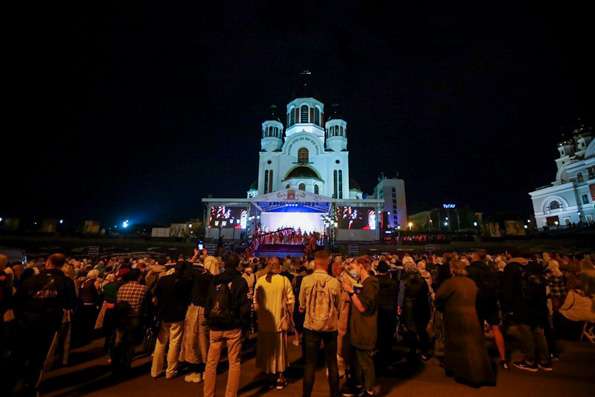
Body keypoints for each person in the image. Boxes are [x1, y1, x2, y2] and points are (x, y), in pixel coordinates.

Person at [14, 253, 76, 396]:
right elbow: (70, 303)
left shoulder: (31, 280)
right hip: (49, 324)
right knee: (40, 356)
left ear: (48, 262)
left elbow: (17, 301)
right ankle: (32, 386)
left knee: (22, 353)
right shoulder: (66, 282)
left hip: (26, 322)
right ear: (62, 264)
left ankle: (18, 382)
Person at [435, 259, 495, 387]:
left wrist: (441, 307)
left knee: (459, 346)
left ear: (453, 269)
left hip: (455, 317)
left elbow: (439, 297)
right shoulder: (471, 282)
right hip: (472, 316)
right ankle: (480, 373)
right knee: (475, 346)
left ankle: (464, 374)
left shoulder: (450, 283)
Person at [203, 253, 250, 397]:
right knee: (234, 362)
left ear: (224, 264)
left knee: (211, 363)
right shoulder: (241, 281)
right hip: (233, 326)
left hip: (216, 325)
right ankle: (230, 394)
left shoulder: (215, 279)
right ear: (237, 264)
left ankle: (208, 393)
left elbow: (209, 302)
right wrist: (245, 325)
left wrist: (208, 319)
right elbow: (244, 307)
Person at [299, 250, 341, 397]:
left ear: (315, 263)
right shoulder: (335, 282)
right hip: (330, 326)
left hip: (310, 326)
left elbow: (301, 304)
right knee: (332, 363)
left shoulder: (306, 281)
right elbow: (338, 306)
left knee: (310, 364)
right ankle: (335, 394)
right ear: (327, 263)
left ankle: (307, 394)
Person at [254, 257, 295, 389]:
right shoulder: (284, 280)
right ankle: (280, 377)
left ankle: (268, 376)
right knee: (279, 353)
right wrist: (290, 318)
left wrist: (259, 316)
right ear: (279, 267)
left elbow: (255, 303)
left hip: (264, 323)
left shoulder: (260, 281)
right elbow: (290, 301)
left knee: (266, 351)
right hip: (278, 322)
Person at [341, 256, 379, 397]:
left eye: (354, 267)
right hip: (358, 329)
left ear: (361, 266)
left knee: (365, 362)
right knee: (358, 361)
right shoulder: (362, 282)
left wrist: (351, 291)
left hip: (365, 330)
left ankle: (369, 390)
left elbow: (363, 307)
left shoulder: (371, 283)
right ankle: (360, 385)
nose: (353, 270)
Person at [150, 261, 192, 379]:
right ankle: (170, 371)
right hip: (178, 315)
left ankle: (155, 370)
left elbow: (156, 297)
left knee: (160, 343)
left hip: (163, 314)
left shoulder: (163, 280)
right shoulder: (186, 282)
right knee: (174, 343)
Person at [466, 252, 508, 368]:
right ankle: (503, 359)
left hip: (477, 301)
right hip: (491, 301)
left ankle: (480, 357)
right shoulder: (491, 269)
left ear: (475, 258)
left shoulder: (470, 270)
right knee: (496, 328)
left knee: (477, 329)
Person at [180, 251, 213, 383]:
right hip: (207, 311)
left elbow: (186, 267)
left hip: (196, 310)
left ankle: (195, 370)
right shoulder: (214, 278)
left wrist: (195, 256)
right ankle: (206, 369)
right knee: (205, 341)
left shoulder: (199, 277)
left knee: (192, 341)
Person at [112, 268, 150, 376]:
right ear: (139, 277)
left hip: (120, 317)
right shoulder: (143, 289)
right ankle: (126, 365)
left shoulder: (122, 287)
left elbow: (118, 302)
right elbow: (145, 305)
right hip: (134, 317)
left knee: (118, 340)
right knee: (130, 343)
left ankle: (116, 363)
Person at [374, 260, 399, 367]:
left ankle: (379, 358)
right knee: (388, 337)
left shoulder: (375, 282)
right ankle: (388, 357)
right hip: (390, 311)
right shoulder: (393, 283)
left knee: (379, 336)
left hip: (379, 311)